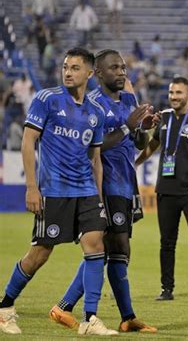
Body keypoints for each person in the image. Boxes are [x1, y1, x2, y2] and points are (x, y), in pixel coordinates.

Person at [0, 48, 117, 336]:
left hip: (86, 191)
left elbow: (96, 159)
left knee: (96, 246)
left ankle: (90, 319)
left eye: (75, 68)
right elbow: (28, 142)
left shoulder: (97, 112)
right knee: (39, 254)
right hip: (53, 191)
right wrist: (31, 186)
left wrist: (99, 200)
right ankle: (5, 306)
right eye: (65, 67)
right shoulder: (47, 100)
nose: (68, 72)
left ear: (89, 73)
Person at [47, 49, 158, 334]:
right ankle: (84, 309)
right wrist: (126, 126)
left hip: (125, 181)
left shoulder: (130, 100)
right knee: (111, 247)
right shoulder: (92, 105)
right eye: (114, 68)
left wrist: (144, 129)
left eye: (123, 67)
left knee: (118, 249)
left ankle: (122, 316)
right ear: (97, 74)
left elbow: (136, 142)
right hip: (103, 184)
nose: (121, 72)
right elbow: (91, 147)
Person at [136, 76, 188, 302]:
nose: (174, 97)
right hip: (166, 190)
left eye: (179, 93)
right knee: (167, 242)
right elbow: (153, 145)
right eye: (171, 93)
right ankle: (166, 289)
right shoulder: (162, 118)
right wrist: (133, 164)